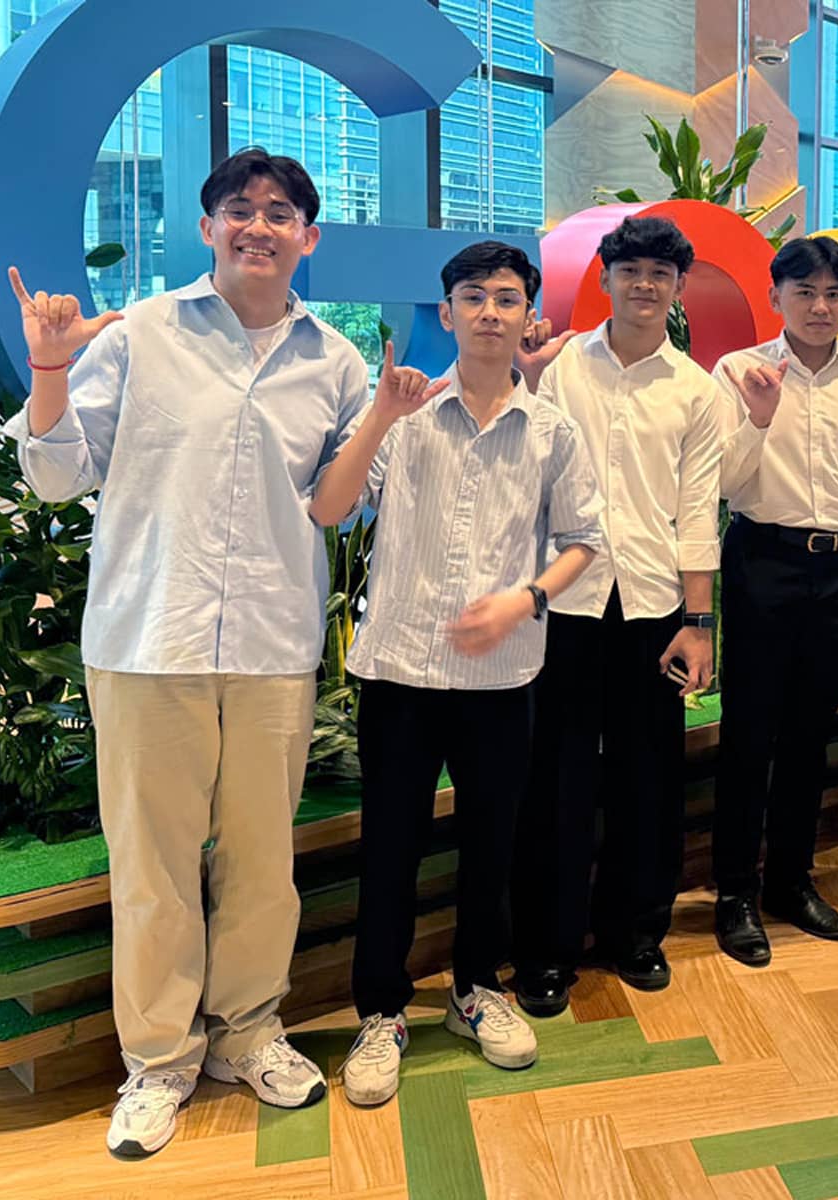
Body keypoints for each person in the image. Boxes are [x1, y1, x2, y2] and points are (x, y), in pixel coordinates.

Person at [4, 148, 364, 1157]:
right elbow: (57, 478)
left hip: (271, 644)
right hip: (145, 637)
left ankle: (247, 1033)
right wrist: (50, 369)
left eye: (281, 210)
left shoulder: (334, 361)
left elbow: (342, 501)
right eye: (239, 209)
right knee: (154, 866)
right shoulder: (139, 336)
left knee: (260, 860)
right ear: (206, 229)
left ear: (309, 236)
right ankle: (158, 1061)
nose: (259, 223)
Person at [313, 241, 603, 1108]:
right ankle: (381, 1013)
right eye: (471, 297)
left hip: (504, 678)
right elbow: (329, 510)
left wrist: (526, 599)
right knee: (391, 849)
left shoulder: (553, 431)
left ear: (527, 318)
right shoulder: (403, 415)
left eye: (506, 298)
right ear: (446, 315)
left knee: (493, 844)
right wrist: (376, 417)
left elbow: (585, 540)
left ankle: (476, 990)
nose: (488, 312)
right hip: (400, 673)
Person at [510, 216, 721, 1016]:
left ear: (676, 287)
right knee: (555, 780)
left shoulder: (696, 391)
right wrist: (527, 381)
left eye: (660, 274)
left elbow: (698, 511)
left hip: (653, 610)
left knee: (650, 778)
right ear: (605, 278)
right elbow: (524, 464)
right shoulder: (561, 370)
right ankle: (546, 949)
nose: (644, 285)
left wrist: (698, 623)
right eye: (630, 270)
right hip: (563, 606)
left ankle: (637, 933)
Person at [711, 236, 838, 967]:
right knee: (748, 734)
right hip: (765, 560)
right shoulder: (739, 371)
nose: (820, 307)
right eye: (805, 293)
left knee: (808, 736)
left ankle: (792, 881)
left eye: (833, 294)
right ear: (776, 298)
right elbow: (725, 483)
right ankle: (736, 893)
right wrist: (760, 417)